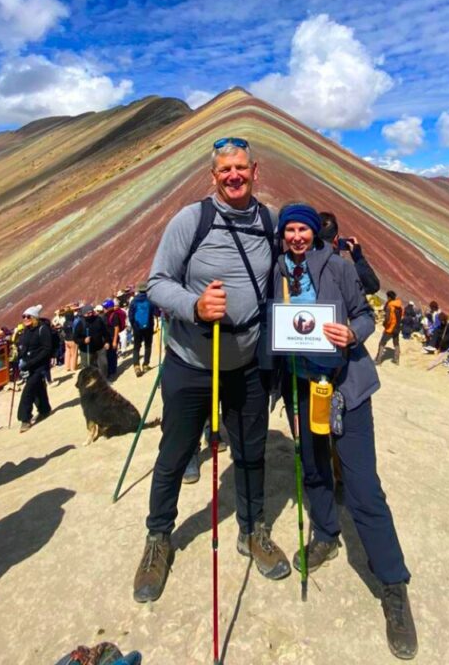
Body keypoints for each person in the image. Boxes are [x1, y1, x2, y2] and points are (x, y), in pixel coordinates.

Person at [133, 137, 290, 605]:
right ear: (213, 175)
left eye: (241, 167)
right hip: (192, 363)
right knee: (176, 453)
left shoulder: (268, 221)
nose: (234, 176)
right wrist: (196, 306)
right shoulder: (191, 220)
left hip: (245, 366)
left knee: (251, 453)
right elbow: (156, 284)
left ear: (255, 169)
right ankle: (159, 537)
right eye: (225, 170)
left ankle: (251, 529)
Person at [274, 205, 417, 660]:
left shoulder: (337, 265)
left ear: (315, 233)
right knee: (314, 469)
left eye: (303, 230)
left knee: (362, 487)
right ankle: (326, 535)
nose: (297, 237)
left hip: (346, 389)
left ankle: (393, 585)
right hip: (301, 387)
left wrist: (351, 336)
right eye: (290, 230)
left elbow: (366, 316)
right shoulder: (274, 271)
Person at [318, 212, 380, 295]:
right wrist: (358, 258)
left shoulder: (303, 265)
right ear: (336, 240)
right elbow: (372, 286)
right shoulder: (344, 269)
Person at [16, 305, 53, 433]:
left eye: (28, 316)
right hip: (28, 366)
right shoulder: (27, 331)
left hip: (39, 365)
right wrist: (20, 359)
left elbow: (47, 349)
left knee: (28, 391)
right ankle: (44, 410)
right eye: (24, 316)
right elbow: (24, 347)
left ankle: (24, 419)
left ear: (35, 317)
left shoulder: (43, 329)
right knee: (37, 388)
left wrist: (31, 362)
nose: (25, 319)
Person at [128, 284, 156, 377]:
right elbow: (156, 312)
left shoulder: (134, 301)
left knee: (136, 347)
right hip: (148, 327)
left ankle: (136, 366)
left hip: (137, 327)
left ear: (139, 290)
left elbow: (131, 316)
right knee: (148, 346)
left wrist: (133, 325)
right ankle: (145, 365)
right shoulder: (150, 300)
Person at [376, 291, 403, 366]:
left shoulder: (390, 306)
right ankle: (396, 360)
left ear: (389, 297)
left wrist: (385, 324)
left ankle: (378, 360)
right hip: (397, 328)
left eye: (387, 297)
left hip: (390, 328)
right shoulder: (399, 306)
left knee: (382, 343)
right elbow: (401, 316)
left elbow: (388, 318)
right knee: (396, 343)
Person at [102, 299, 124, 380]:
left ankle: (112, 372)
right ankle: (110, 371)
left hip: (113, 337)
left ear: (109, 307)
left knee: (112, 355)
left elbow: (116, 328)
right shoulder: (105, 315)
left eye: (105, 307)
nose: (104, 309)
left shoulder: (114, 315)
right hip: (107, 338)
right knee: (108, 355)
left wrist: (114, 341)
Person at [62, 305, 78, 373]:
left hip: (66, 340)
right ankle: (73, 367)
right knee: (74, 354)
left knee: (67, 353)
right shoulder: (73, 323)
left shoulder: (65, 323)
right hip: (73, 339)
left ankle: (67, 367)